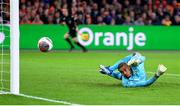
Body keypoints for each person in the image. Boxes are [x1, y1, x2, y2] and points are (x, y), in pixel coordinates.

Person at [99, 52, 167, 87]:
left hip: (137, 64)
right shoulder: (127, 82)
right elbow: (146, 83)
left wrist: (137, 61)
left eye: (125, 70)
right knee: (136, 55)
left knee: (137, 55)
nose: (124, 73)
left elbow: (143, 57)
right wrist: (157, 75)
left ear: (129, 68)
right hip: (136, 67)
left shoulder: (135, 68)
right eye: (122, 72)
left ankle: (111, 69)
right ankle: (110, 69)